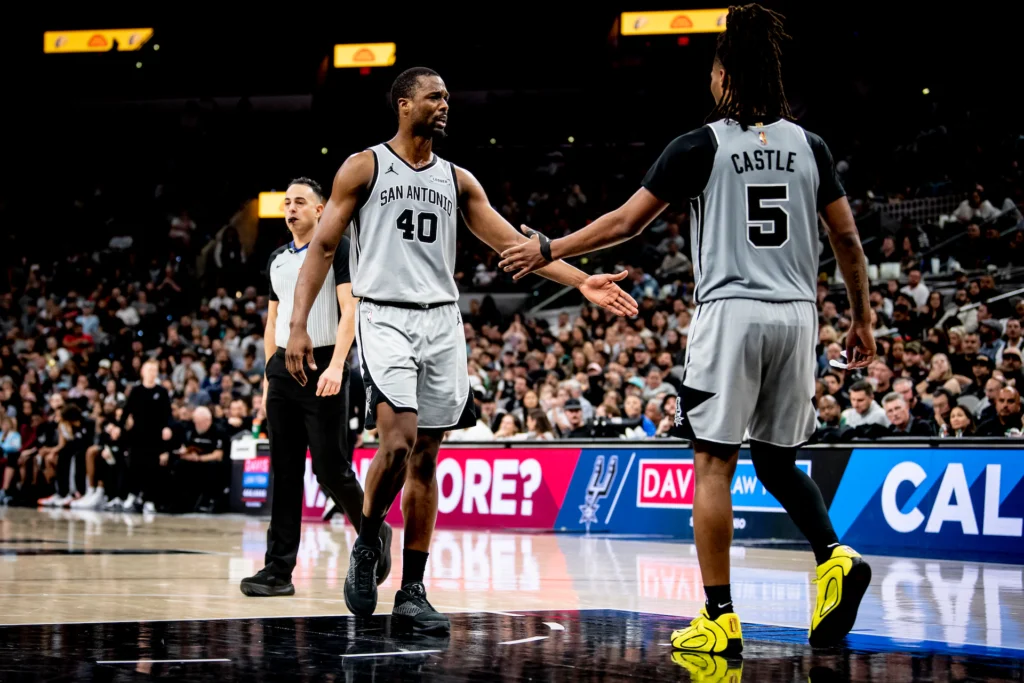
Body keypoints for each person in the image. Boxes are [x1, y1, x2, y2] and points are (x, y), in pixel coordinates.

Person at [498, 3, 872, 655]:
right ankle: (833, 554)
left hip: (731, 313)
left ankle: (719, 616)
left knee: (713, 463)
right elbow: (846, 239)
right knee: (777, 459)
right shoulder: (811, 147)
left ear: (725, 75)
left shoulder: (702, 144)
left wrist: (550, 247)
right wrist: (862, 317)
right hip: (797, 315)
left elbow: (624, 223)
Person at [284, 66, 637, 634]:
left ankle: (413, 591)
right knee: (396, 444)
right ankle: (369, 539)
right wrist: (299, 324)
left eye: (448, 97)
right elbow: (323, 247)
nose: (445, 104)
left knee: (426, 457)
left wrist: (582, 281)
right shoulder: (364, 166)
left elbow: (514, 244)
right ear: (404, 104)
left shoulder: (458, 179)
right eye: (434, 96)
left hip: (443, 321)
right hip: (385, 314)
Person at [241, 178, 387, 599]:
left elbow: (349, 311)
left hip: (324, 363)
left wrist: (338, 365)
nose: (291, 208)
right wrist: (268, 377)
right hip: (282, 369)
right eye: (287, 202)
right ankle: (278, 570)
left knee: (330, 469)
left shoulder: (338, 248)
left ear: (321, 210)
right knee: (284, 472)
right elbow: (273, 321)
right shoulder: (276, 259)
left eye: (300, 202)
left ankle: (375, 532)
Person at [112, 360, 171, 513]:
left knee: (152, 468)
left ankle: (149, 500)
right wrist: (118, 427)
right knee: (135, 466)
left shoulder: (162, 392)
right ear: (143, 372)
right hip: (138, 435)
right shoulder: (136, 391)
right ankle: (132, 494)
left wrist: (167, 427)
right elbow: (126, 411)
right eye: (149, 369)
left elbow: (167, 414)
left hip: (155, 436)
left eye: (154, 370)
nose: (152, 372)